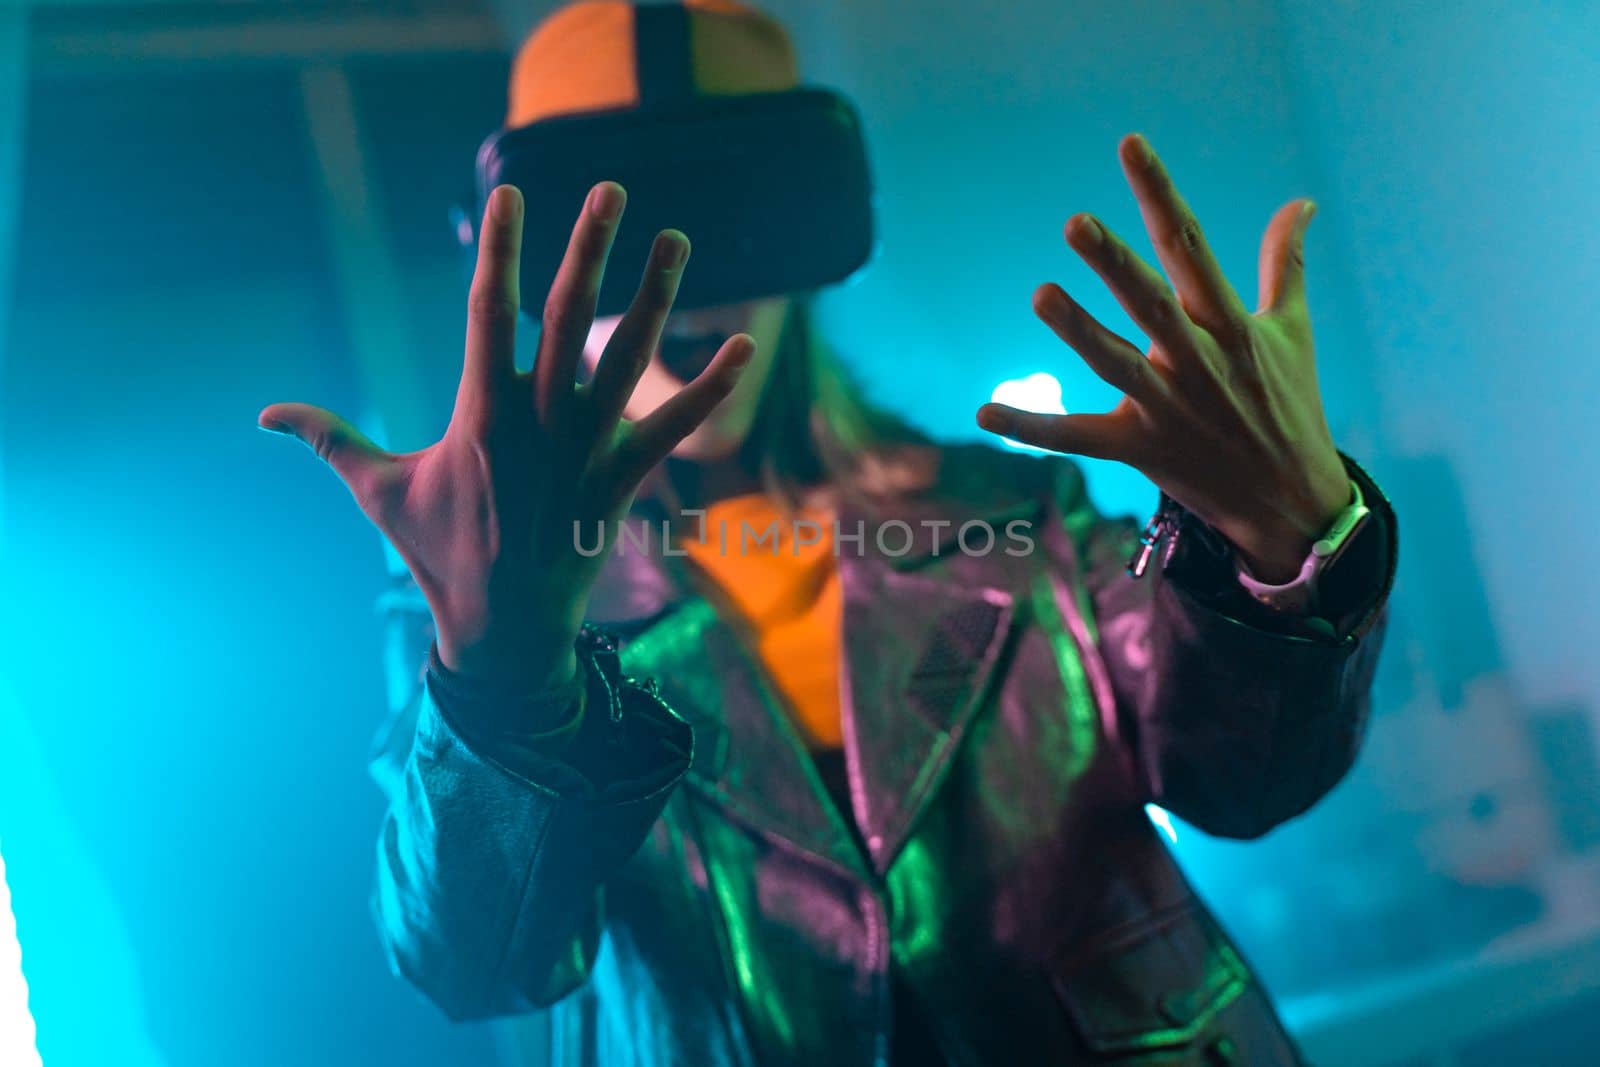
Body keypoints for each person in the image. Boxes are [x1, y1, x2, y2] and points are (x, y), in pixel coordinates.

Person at [259, 1, 1397, 1063]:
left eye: (729, 208)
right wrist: (505, 680)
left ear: (812, 231)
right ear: (535, 262)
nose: (680, 276)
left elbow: (1242, 776)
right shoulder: (476, 601)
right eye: (612, 225)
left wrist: (1282, 549)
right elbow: (476, 959)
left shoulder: (1010, 518)